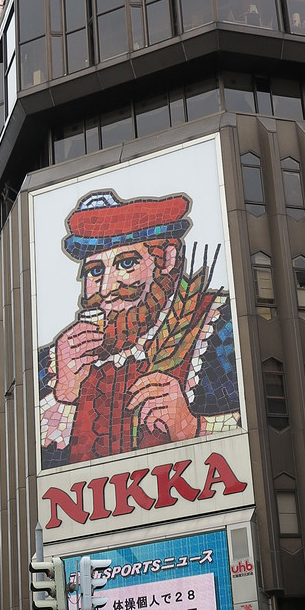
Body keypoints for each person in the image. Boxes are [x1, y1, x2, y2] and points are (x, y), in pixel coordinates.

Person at [39, 189, 240, 467]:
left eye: (126, 263)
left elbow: (260, 423)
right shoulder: (55, 361)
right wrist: (64, 396)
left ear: (167, 260)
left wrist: (193, 426)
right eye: (95, 271)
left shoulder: (220, 326)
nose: (107, 288)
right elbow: (20, 470)